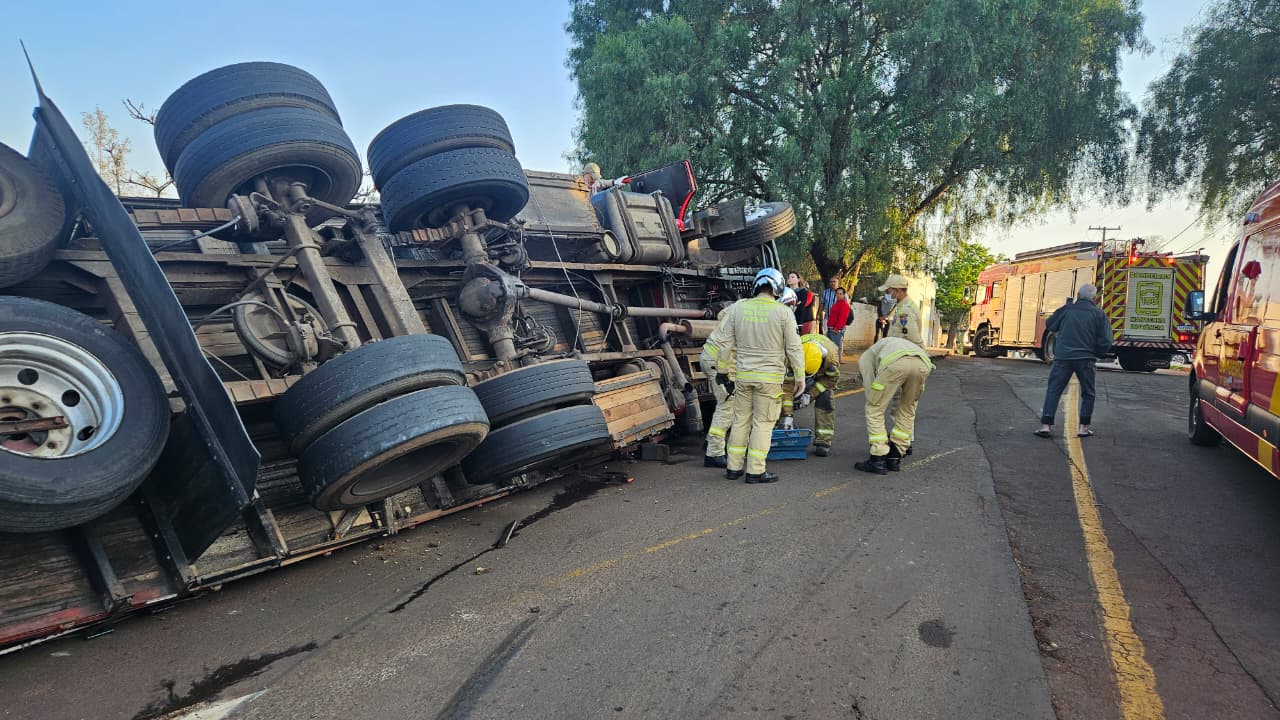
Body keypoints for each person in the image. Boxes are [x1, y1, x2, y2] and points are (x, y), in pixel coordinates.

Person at [716, 268, 806, 484]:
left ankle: (733, 467)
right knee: (763, 423)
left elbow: (725, 343)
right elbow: (794, 348)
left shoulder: (739, 308)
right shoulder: (784, 313)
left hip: (743, 377)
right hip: (770, 380)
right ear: (778, 288)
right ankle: (755, 471)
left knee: (740, 421)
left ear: (756, 285)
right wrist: (800, 376)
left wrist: (722, 371)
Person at [1035, 283, 1114, 438]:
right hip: (1086, 359)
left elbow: (1050, 324)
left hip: (1063, 358)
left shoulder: (1067, 310)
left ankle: (1046, 426)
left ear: (1078, 295)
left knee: (1054, 390)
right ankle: (1083, 428)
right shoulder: (1099, 314)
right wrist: (1098, 352)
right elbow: (1106, 339)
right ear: (1094, 298)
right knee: (1088, 392)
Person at [855, 336, 934, 474]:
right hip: (923, 363)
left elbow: (870, 391)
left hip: (896, 364)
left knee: (874, 408)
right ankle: (895, 456)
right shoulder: (886, 346)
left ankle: (878, 458)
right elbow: (897, 393)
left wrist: (876, 401)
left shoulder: (865, 359)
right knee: (907, 408)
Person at [701, 307, 737, 468]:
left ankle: (710, 442)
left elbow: (721, 314)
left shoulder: (742, 304)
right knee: (727, 406)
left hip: (709, 354)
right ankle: (714, 453)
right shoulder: (762, 319)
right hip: (721, 362)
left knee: (725, 404)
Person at [799, 333, 841, 456]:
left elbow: (830, 381)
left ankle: (823, 441)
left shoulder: (832, 361)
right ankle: (774, 428)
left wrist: (810, 395)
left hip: (824, 376)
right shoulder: (793, 352)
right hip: (799, 371)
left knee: (826, 397)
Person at [879, 274, 923, 347]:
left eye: (888, 292)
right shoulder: (902, 306)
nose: (888, 295)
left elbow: (915, 339)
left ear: (897, 291)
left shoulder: (906, 310)